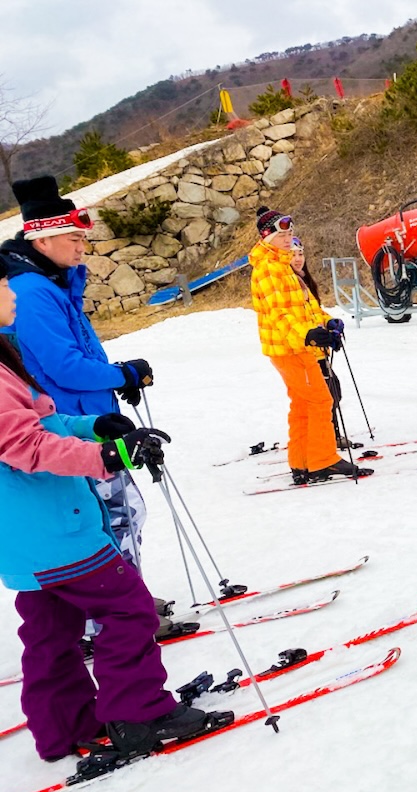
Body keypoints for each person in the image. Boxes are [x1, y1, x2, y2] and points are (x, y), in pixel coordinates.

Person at [0, 257, 231, 760]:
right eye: (2, 283)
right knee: (129, 608)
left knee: (50, 633)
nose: (11, 291)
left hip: (24, 543)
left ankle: (62, 727)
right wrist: (106, 456)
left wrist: (94, 428)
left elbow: (42, 424)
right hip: (57, 531)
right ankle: (139, 712)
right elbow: (29, 449)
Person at [0, 176, 186, 641]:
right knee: (115, 517)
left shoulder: (53, 282)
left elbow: (81, 350)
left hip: (86, 418)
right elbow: (64, 366)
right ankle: (112, 613)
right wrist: (119, 374)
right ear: (42, 238)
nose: (83, 246)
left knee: (121, 513)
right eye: (74, 237)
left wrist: (112, 388)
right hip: (65, 430)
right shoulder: (34, 291)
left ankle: (125, 597)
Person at [249, 207, 371, 484]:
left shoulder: (282, 266)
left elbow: (305, 309)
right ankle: (321, 460)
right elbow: (280, 314)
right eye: (283, 233)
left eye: (290, 232)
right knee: (320, 400)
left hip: (295, 346)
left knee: (303, 404)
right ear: (267, 236)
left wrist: (326, 324)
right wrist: (308, 336)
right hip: (290, 348)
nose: (288, 237)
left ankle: (302, 462)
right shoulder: (269, 269)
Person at [289, 235, 356, 451]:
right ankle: (322, 440)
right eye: (293, 254)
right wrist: (314, 335)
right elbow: (294, 320)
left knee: (332, 391)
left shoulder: (303, 281)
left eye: (301, 254)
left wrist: (329, 322)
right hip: (305, 349)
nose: (298, 259)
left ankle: (330, 435)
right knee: (323, 396)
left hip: (319, 348)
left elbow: (314, 312)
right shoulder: (289, 283)